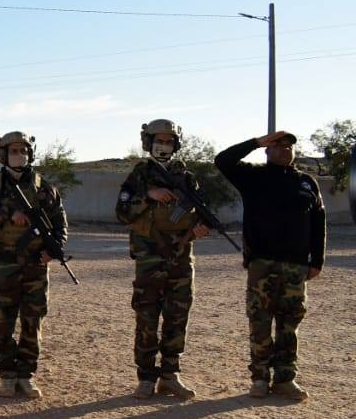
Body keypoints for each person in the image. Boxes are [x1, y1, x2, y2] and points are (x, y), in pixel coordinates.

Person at [216, 130, 326, 401]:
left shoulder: (306, 182)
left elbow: (318, 222)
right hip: (262, 264)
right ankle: (260, 379)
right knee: (260, 322)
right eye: (277, 146)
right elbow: (222, 160)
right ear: (267, 150)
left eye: (288, 146)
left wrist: (317, 260)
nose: (284, 150)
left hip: (296, 266)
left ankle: (285, 379)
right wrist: (256, 142)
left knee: (289, 324)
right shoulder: (253, 176)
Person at [116, 119, 211, 400]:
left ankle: (170, 375)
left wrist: (199, 228)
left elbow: (201, 211)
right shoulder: (139, 175)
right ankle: (146, 377)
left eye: (169, 141)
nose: (164, 145)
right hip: (149, 260)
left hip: (180, 259)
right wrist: (148, 195)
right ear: (148, 142)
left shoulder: (186, 177)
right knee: (147, 318)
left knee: (177, 318)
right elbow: (122, 212)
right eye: (159, 140)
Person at [0, 131, 67, 399]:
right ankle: (7, 375)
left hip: (36, 267)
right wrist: (8, 213)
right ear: (3, 154)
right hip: (4, 266)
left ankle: (26, 375)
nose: (19, 155)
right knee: (2, 320)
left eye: (23, 150)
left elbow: (59, 223)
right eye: (13, 151)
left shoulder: (44, 188)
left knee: (33, 320)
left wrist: (52, 249)